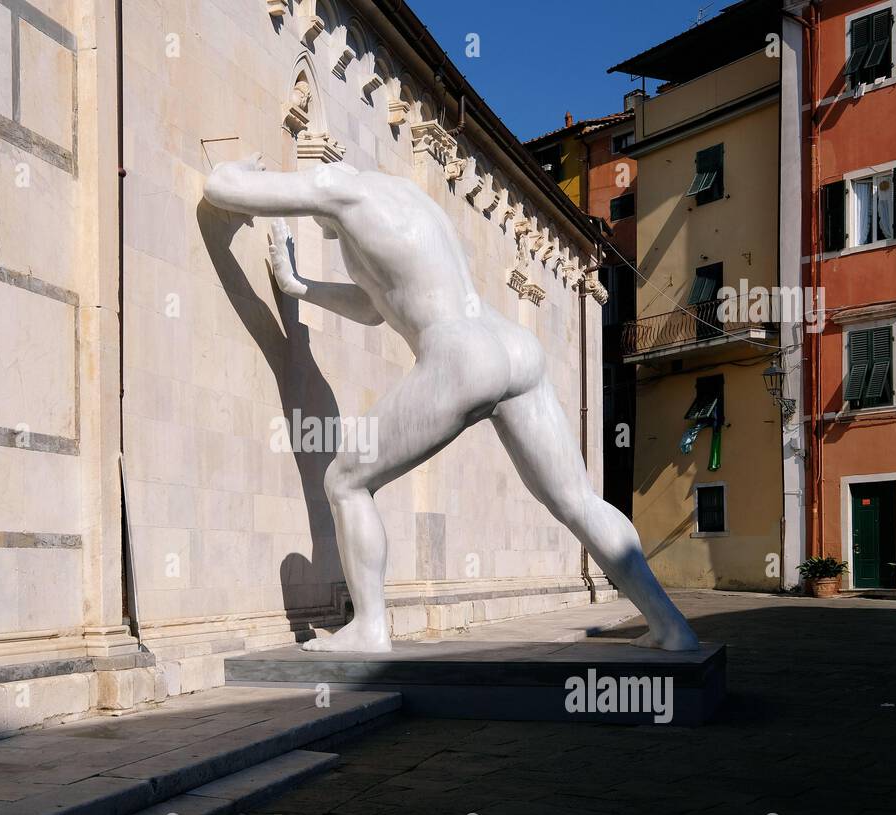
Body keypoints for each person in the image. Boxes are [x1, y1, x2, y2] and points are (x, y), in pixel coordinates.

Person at [204, 153, 699, 652]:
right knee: (578, 500)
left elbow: (221, 186)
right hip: (513, 347)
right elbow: (377, 308)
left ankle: (370, 629)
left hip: (460, 357)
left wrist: (247, 172)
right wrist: (299, 287)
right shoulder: (411, 204)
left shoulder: (337, 187)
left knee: (345, 481)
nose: (317, 217)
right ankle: (670, 625)